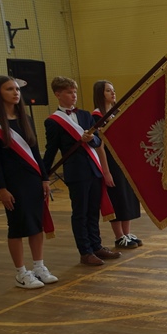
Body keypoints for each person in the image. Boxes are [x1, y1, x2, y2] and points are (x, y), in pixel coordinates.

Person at [0, 76, 58, 289]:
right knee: (16, 226)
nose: (15, 93)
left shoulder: (26, 119)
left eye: (17, 89)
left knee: (36, 224)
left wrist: (44, 178)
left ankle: (39, 267)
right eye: (9, 89)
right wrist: (2, 188)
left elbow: (34, 151)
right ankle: (21, 273)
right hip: (13, 183)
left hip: (33, 179)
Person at [42, 76, 121, 266]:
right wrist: (43, 175)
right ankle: (85, 251)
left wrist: (90, 139)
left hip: (94, 169)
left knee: (93, 210)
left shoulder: (85, 115)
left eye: (75, 92)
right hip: (76, 173)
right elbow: (51, 150)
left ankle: (96, 246)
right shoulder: (53, 121)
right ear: (58, 94)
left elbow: (97, 141)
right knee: (80, 213)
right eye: (69, 92)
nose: (74, 96)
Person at [92, 80, 143, 250]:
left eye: (113, 90)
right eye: (108, 91)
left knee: (127, 197)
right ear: (100, 94)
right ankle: (119, 236)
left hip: (124, 161)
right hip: (111, 162)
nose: (113, 93)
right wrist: (106, 171)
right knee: (117, 197)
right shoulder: (97, 117)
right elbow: (100, 146)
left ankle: (127, 233)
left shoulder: (117, 114)